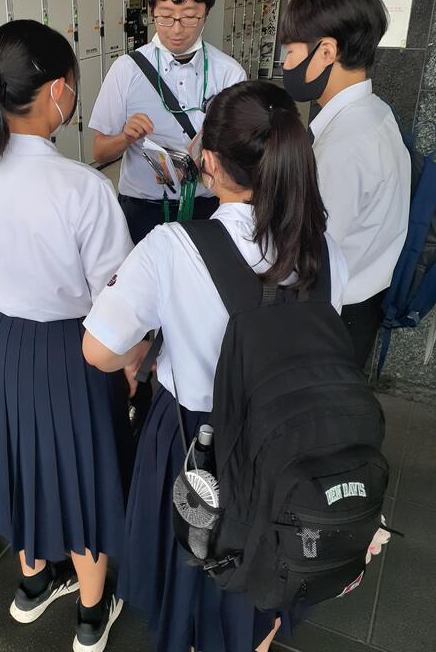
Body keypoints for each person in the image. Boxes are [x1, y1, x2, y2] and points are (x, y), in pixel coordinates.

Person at [82, 81, 349, 652]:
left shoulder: (172, 246)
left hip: (194, 442)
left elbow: (98, 350)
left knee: (195, 563)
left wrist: (140, 351)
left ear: (207, 161)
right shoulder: (326, 250)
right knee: (268, 569)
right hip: (289, 443)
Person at [0, 19, 133, 651]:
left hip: (1, 343)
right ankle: (90, 614)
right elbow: (116, 295)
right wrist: (134, 362)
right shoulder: (82, 188)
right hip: (74, 350)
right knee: (81, 474)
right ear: (57, 92)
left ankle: (32, 585)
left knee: (21, 460)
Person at [280, 0, 411, 368]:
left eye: (291, 51)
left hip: (331, 316)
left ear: (326, 51)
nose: (286, 64)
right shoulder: (375, 113)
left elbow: (307, 253)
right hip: (358, 307)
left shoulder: (345, 145)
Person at [89, 0, 247, 245]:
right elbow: (99, 152)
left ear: (206, 12)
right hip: (143, 209)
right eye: (165, 16)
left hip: (207, 207)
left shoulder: (229, 74)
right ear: (151, 10)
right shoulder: (127, 70)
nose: (176, 29)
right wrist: (125, 138)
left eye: (189, 17)